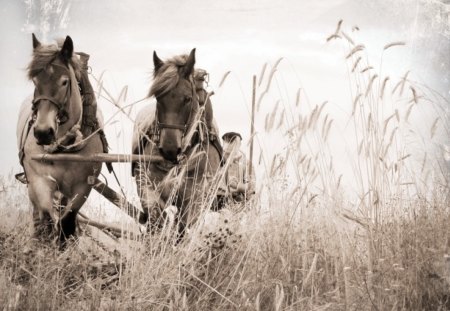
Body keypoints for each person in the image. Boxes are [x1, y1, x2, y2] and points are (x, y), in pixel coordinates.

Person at [216, 132, 255, 208]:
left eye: (231, 153)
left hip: (237, 201)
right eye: (225, 152)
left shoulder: (246, 163)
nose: (227, 156)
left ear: (238, 146)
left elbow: (251, 189)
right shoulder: (218, 161)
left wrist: (237, 186)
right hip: (218, 200)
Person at [193, 68, 223, 161]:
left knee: (214, 134)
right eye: (198, 80)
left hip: (202, 122)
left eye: (201, 81)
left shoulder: (204, 96)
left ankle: (222, 157)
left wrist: (208, 127)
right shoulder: (189, 93)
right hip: (193, 122)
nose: (200, 83)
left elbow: (209, 114)